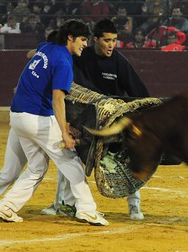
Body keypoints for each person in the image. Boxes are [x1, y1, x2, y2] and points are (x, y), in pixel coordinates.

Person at [0, 19, 109, 226]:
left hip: (17, 116)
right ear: (70, 38)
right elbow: (58, 99)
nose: (85, 44)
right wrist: (64, 131)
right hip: (35, 118)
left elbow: (31, 54)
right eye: (82, 40)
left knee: (36, 168)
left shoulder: (46, 48)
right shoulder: (64, 62)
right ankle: (87, 210)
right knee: (70, 161)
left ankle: (6, 207)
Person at [41, 19, 150, 220]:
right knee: (69, 157)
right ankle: (60, 203)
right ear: (95, 40)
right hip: (85, 120)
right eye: (107, 40)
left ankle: (134, 206)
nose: (111, 45)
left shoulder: (119, 62)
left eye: (114, 41)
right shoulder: (81, 56)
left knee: (125, 159)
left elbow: (139, 93)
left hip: (113, 121)